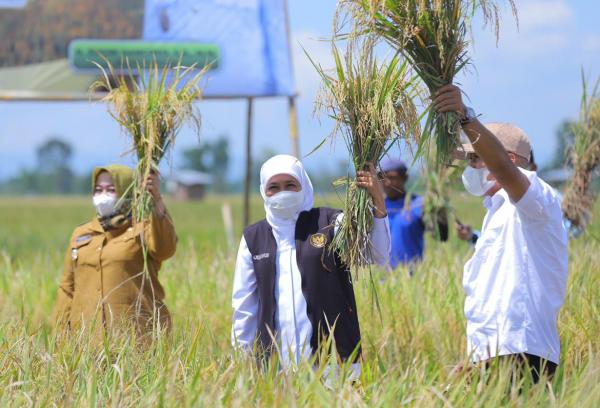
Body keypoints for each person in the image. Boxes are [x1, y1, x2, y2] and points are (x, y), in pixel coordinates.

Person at [434, 85, 568, 382]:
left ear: (508, 159)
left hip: (521, 349)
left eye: (475, 159)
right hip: (493, 352)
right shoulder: (496, 211)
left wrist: (465, 118)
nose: (469, 168)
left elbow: (506, 171)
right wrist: (474, 358)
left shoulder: (537, 200)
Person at [231, 155, 390, 373]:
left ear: (304, 186)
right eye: (274, 187)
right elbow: (244, 307)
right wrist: (244, 363)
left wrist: (378, 202)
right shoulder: (253, 238)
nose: (282, 192)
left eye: (290, 185)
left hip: (334, 362)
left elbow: (377, 255)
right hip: (275, 369)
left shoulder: (331, 223)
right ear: (263, 192)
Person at [53, 165, 176, 339]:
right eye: (98, 189)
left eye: (111, 189)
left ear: (126, 192)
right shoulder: (81, 234)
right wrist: (61, 336)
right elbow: (67, 289)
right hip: (87, 343)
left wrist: (157, 200)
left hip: (135, 340)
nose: (103, 195)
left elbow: (165, 249)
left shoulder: (144, 229)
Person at [456, 149, 538, 246]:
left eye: (475, 158)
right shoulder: (494, 204)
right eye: (470, 159)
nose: (471, 165)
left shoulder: (535, 202)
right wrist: (471, 237)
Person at [380, 158, 448, 268]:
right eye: (383, 178)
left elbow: (442, 236)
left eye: (392, 178)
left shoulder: (419, 204)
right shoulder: (376, 208)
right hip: (382, 278)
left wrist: (439, 209)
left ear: (405, 178)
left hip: (411, 277)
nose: (387, 183)